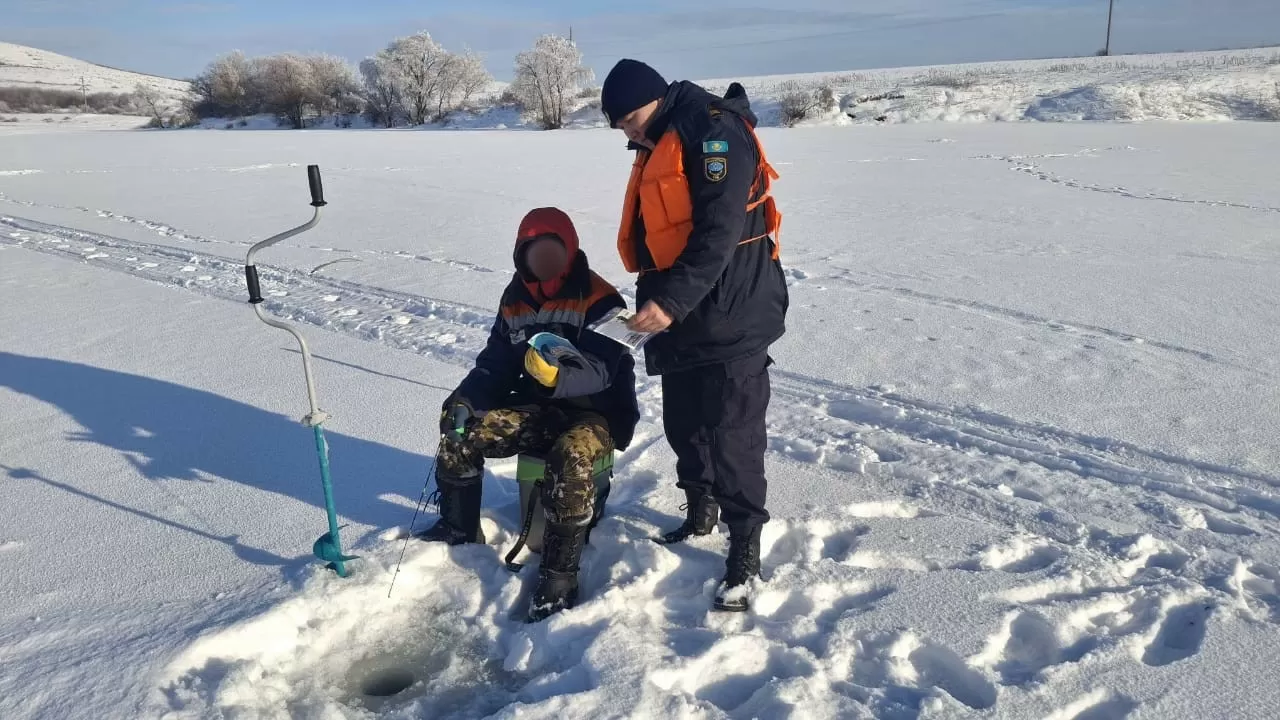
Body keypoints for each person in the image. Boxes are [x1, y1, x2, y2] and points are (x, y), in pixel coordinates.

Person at [599, 59, 788, 612]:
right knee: (686, 422)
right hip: (680, 310)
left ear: (655, 98)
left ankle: (745, 545)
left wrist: (670, 302)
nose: (628, 132)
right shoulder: (659, 133)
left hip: (730, 308)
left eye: (631, 119)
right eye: (620, 126)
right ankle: (700, 508)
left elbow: (718, 232)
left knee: (733, 432)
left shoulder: (714, 133)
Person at [416, 206, 640, 622]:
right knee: (462, 430)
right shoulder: (516, 298)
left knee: (569, 455)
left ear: (569, 250)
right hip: (540, 410)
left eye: (553, 250)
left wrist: (558, 378)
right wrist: (466, 398)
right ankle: (458, 529)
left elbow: (608, 368)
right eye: (534, 251)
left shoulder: (602, 297)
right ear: (522, 254)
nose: (544, 260)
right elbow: (495, 364)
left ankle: (559, 575)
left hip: (596, 416)